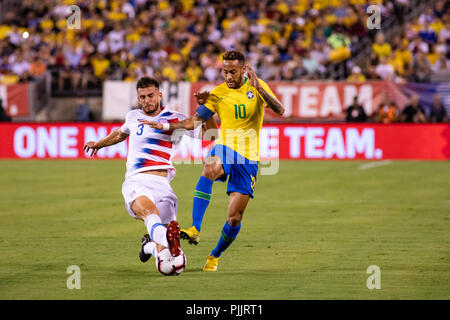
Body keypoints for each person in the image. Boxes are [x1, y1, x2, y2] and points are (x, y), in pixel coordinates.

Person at [140, 50, 285, 271]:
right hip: (226, 147)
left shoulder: (257, 86)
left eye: (233, 72)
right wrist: (167, 126)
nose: (228, 76)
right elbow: (194, 121)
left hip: (249, 158)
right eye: (225, 71)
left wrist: (258, 88)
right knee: (210, 167)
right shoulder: (217, 93)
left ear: (243, 70)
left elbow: (280, 110)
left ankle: (215, 255)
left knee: (234, 218)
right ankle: (195, 229)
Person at [83, 77, 217, 273]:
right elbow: (120, 133)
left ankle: (149, 245)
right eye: (142, 97)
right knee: (150, 214)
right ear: (138, 99)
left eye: (150, 95)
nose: (147, 100)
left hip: (163, 184)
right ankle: (168, 240)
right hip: (137, 180)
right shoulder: (133, 116)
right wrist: (99, 144)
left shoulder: (175, 118)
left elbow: (211, 135)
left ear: (160, 95)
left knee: (169, 265)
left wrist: (208, 109)